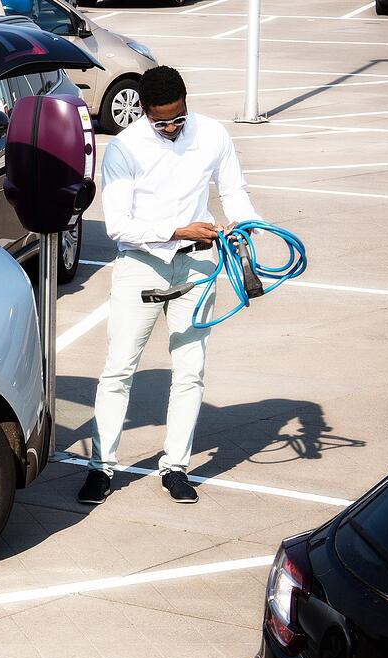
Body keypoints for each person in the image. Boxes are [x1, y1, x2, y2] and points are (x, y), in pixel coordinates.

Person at [77, 65, 261, 506]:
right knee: (119, 369)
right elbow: (120, 227)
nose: (173, 128)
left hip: (197, 268)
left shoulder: (213, 134)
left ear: (186, 103)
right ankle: (102, 467)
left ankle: (175, 467)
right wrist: (180, 231)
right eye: (163, 122)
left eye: (179, 117)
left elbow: (233, 191)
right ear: (143, 112)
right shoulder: (125, 148)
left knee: (190, 371)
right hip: (142, 266)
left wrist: (246, 224)